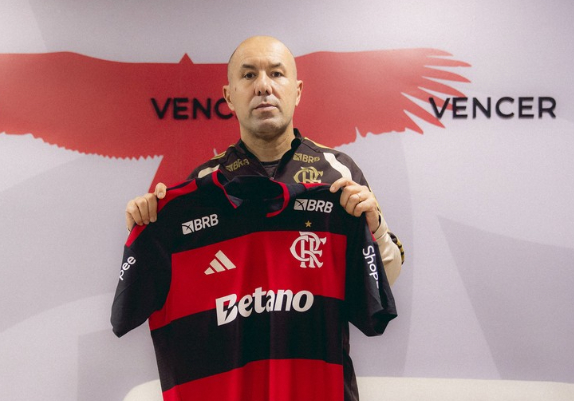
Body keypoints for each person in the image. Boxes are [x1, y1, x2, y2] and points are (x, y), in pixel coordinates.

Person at [125, 35, 403, 283]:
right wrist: (149, 223)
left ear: (297, 91)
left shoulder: (339, 172)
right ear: (228, 97)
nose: (263, 86)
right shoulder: (204, 181)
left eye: (276, 73)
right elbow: (171, 283)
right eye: (248, 75)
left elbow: (385, 280)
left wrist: (375, 229)